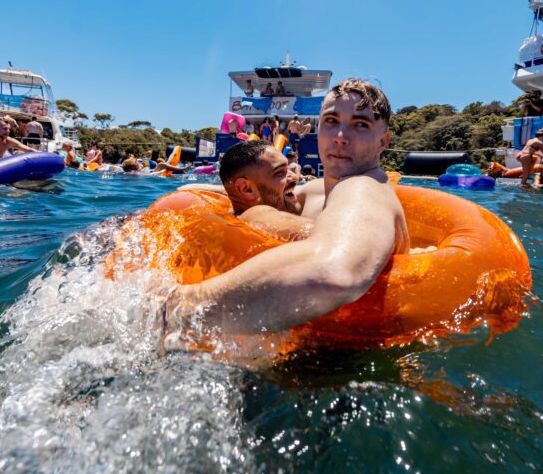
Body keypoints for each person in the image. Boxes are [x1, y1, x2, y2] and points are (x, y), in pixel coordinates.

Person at [160, 78, 409, 340]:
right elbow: (277, 195)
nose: (340, 137)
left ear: (383, 141)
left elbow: (332, 272)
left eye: (360, 124)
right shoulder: (319, 191)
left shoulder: (362, 189)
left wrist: (178, 306)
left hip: (339, 365)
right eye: (331, 121)